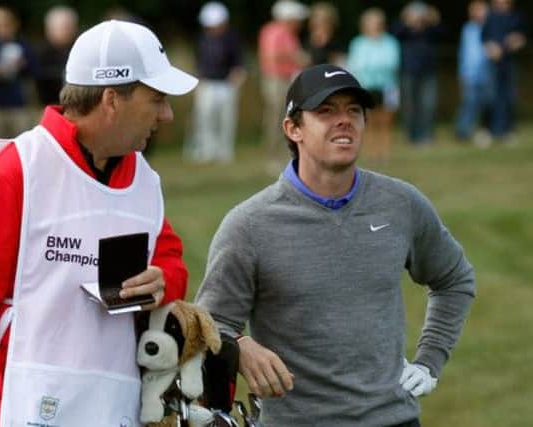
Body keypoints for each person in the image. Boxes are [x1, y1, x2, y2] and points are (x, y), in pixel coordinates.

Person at [0, 20, 198, 427]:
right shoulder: (14, 171)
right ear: (112, 99)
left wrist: (164, 279)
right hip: (25, 408)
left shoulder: (145, 179)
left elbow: (170, 259)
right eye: (157, 98)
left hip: (116, 406)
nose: (166, 114)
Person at [195, 64, 476, 427]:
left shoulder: (401, 203)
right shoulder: (249, 225)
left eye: (354, 111)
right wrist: (241, 346)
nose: (344, 120)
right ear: (293, 128)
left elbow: (454, 279)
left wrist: (429, 361)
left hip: (394, 419)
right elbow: (208, 323)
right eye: (326, 111)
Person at [185, 1, 246, 164]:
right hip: (207, 84)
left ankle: (224, 152)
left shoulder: (232, 38)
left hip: (226, 84)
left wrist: (237, 78)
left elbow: (239, 63)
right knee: (205, 118)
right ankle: (206, 150)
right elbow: (198, 61)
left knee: (226, 120)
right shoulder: (202, 39)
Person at [258, 0, 309, 174]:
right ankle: (273, 158)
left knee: (286, 118)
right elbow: (272, 56)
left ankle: (285, 156)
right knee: (276, 120)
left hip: (287, 80)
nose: (299, 23)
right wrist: (296, 57)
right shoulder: (274, 32)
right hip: (276, 80)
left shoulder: (289, 34)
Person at [347, 7, 400, 164]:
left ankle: (384, 154)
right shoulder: (358, 43)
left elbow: (392, 63)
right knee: (368, 123)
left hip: (387, 86)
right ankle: (371, 154)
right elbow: (355, 64)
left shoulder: (390, 42)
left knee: (385, 122)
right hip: (366, 87)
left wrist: (372, 67)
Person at [0, 5, 38, 138]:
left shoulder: (24, 45)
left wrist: (23, 65)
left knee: (21, 150)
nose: (2, 28)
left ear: (14, 24)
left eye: (5, 24)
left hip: (19, 107)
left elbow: (35, 71)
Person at [392, 1, 442, 145]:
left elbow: (442, 31)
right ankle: (411, 136)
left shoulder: (430, 31)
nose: (418, 18)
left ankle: (426, 135)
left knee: (428, 105)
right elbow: (395, 31)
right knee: (409, 106)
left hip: (429, 73)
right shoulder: (404, 31)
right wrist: (407, 21)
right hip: (408, 73)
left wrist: (433, 19)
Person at [481, 0, 527, 143]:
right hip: (493, 63)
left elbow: (522, 37)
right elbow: (484, 37)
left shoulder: (516, 16)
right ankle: (488, 129)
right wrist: (490, 47)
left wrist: (517, 41)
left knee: (509, 96)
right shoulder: (491, 16)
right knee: (491, 96)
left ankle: (506, 130)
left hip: (509, 62)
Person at [455, 0, 493, 147]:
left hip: (487, 73)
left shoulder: (490, 28)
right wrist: (462, 72)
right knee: (469, 103)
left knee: (487, 102)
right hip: (470, 74)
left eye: (482, 10)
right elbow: (464, 53)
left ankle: (486, 130)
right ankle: (462, 132)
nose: (480, 13)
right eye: (476, 10)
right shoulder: (467, 29)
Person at [35, 5, 79, 106]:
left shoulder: (81, 50)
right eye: (63, 27)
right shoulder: (40, 54)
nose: (66, 31)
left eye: (69, 27)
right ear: (49, 29)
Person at [304, 2, 345, 66]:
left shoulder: (336, 43)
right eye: (315, 18)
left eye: (322, 19)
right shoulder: (305, 40)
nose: (317, 22)